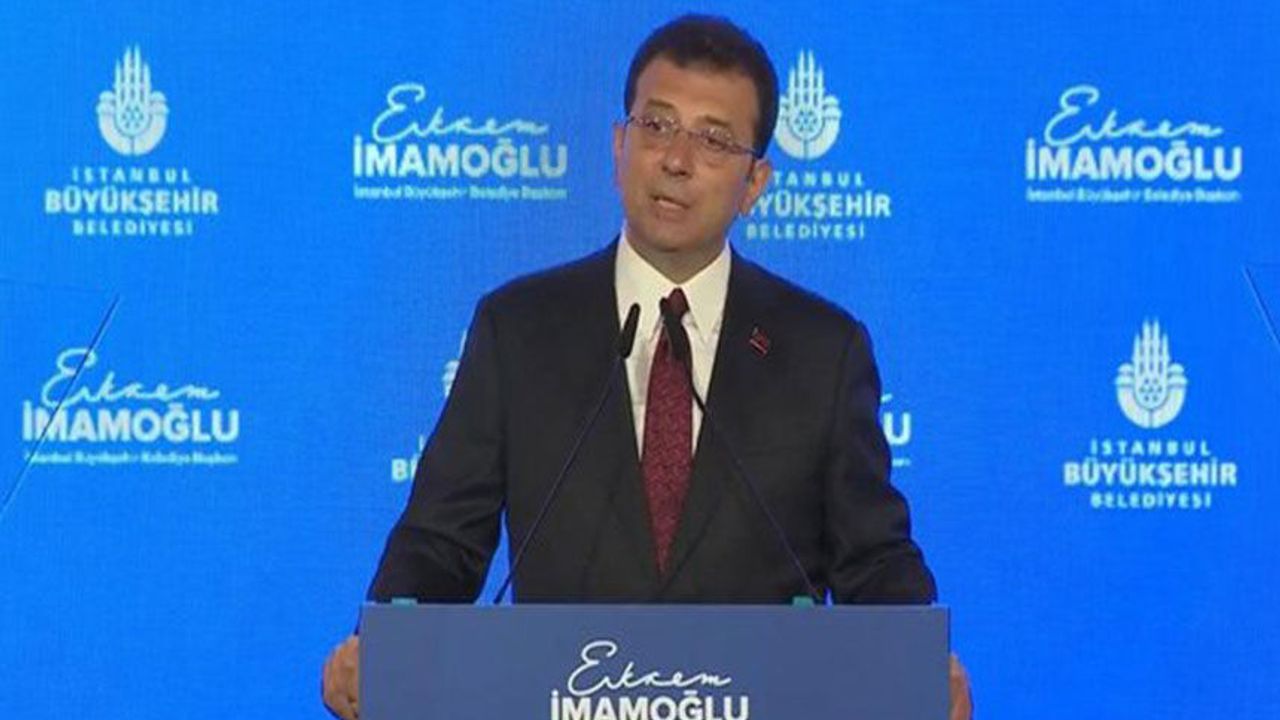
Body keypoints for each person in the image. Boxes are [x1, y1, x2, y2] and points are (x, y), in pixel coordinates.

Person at [323, 14, 972, 720]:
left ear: (755, 183)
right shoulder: (519, 329)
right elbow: (441, 541)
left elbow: (872, 558)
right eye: (657, 126)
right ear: (618, 145)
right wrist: (383, 643)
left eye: (714, 140)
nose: (676, 160)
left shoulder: (823, 349)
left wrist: (918, 658)